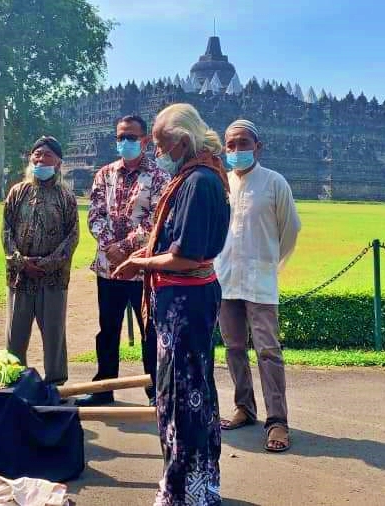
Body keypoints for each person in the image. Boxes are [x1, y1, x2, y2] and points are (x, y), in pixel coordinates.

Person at [113, 103, 230, 505]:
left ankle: (185, 490)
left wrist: (139, 262)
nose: (158, 152)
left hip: (185, 299)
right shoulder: (198, 174)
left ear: (182, 140)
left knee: (183, 393)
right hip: (183, 298)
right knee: (187, 388)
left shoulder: (199, 180)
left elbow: (185, 255)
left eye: (162, 145)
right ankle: (196, 485)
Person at [215, 119, 301, 453]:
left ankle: (277, 420)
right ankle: (244, 407)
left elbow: (290, 230)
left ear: (258, 147)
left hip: (260, 279)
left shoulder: (274, 183)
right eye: (230, 145)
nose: (236, 150)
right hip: (226, 278)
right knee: (233, 347)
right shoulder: (221, 183)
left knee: (268, 350)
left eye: (243, 143)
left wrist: (269, 263)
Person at [77, 115, 170, 407]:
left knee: (149, 330)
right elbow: (95, 214)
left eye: (131, 137)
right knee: (108, 329)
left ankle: (155, 389)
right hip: (108, 268)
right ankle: (104, 387)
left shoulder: (159, 177)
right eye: (120, 137)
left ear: (145, 140)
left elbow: (157, 220)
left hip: (142, 268)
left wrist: (126, 247)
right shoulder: (104, 174)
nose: (125, 142)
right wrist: (110, 247)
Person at [2, 136, 79, 385]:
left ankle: (55, 383)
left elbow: (72, 236)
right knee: (15, 334)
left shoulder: (65, 196)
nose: (41, 159)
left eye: (47, 155)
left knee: (54, 333)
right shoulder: (17, 192)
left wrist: (46, 264)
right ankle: (15, 379)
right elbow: (6, 231)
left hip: (53, 278)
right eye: (37, 154)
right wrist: (21, 261)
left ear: (58, 162)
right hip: (20, 276)